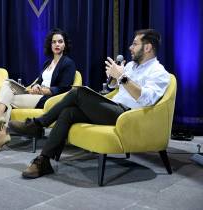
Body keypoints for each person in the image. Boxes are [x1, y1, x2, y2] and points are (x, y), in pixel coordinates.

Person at [9, 29, 170, 179]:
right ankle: (43, 161)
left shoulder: (159, 72)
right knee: (69, 112)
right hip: (112, 107)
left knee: (78, 92)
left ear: (148, 47)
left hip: (127, 116)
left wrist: (122, 78)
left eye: (135, 44)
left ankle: (38, 124)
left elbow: (146, 99)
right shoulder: (130, 66)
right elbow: (116, 87)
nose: (130, 47)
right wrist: (113, 78)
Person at [0, 28, 76, 152]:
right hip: (36, 94)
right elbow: (39, 81)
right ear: (50, 44)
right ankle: (0, 132)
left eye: (60, 42)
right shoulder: (47, 63)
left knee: (7, 100)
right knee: (7, 84)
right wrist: (35, 86)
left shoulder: (68, 63)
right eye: (54, 42)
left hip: (48, 99)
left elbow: (64, 88)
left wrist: (43, 90)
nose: (57, 44)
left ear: (64, 45)